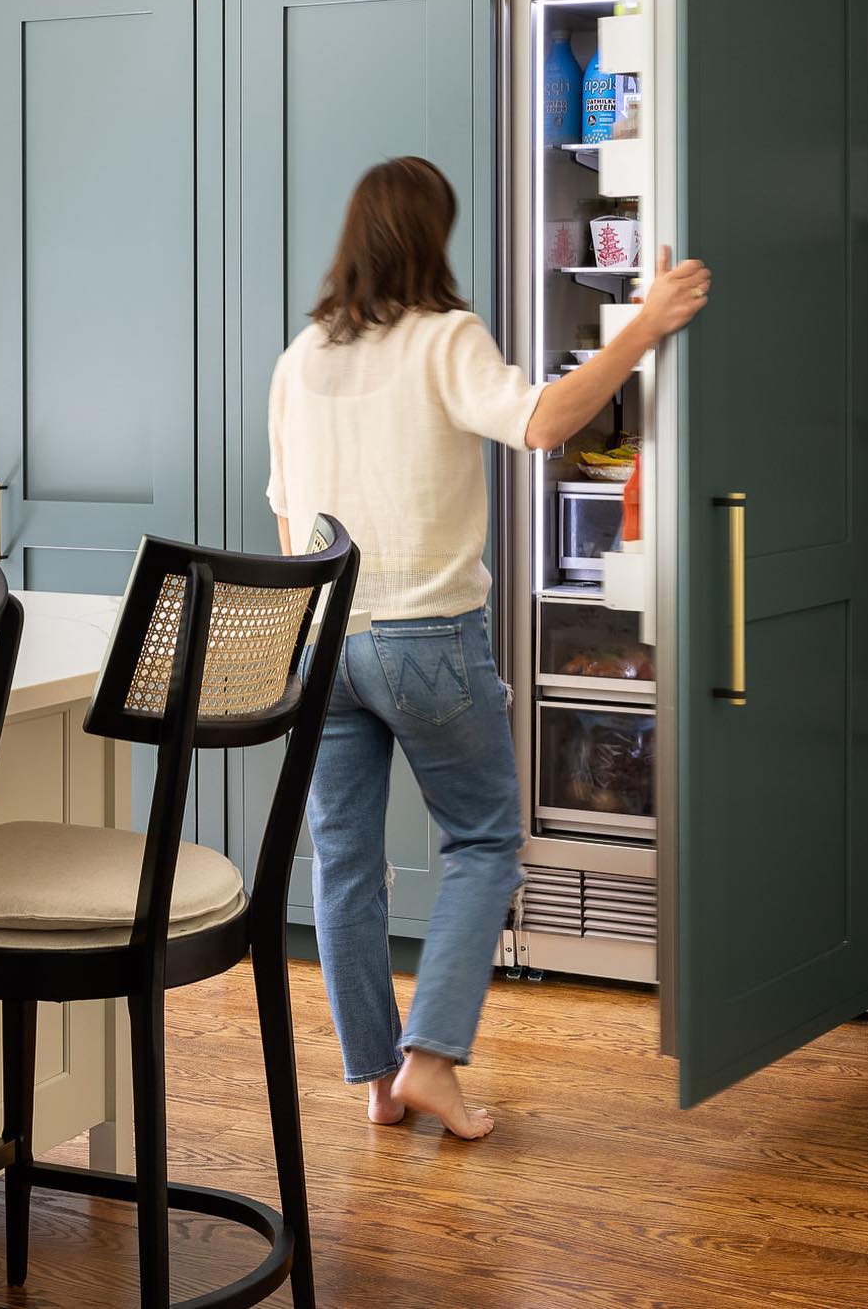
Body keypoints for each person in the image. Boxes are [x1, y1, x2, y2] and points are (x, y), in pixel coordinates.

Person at [266, 155, 710, 1140]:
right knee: (484, 840)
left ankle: (378, 1081)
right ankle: (430, 1059)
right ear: (431, 236)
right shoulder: (443, 337)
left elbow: (288, 512)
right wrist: (643, 325)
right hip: (426, 632)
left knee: (345, 862)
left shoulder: (303, 356)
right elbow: (543, 420)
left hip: (321, 639)